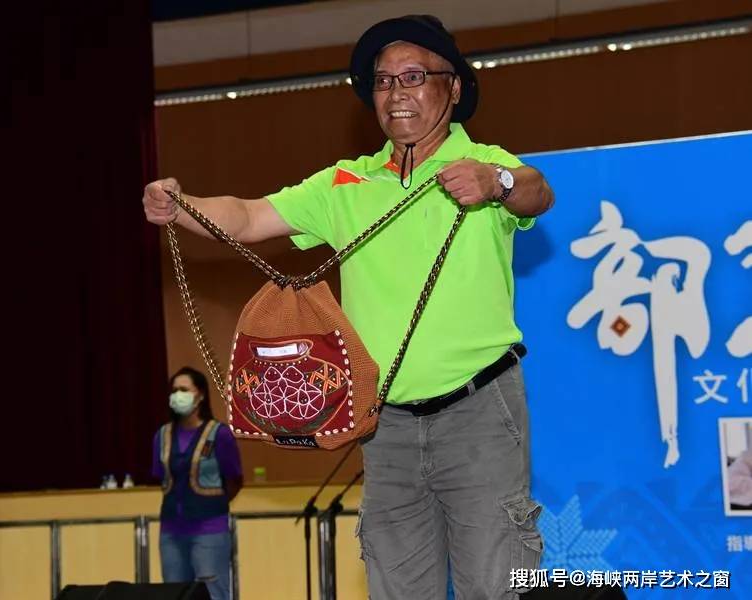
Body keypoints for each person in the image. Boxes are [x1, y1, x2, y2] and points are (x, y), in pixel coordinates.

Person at [143, 14, 553, 599]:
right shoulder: (345, 183)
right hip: (382, 425)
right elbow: (250, 216)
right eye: (383, 81)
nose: (396, 92)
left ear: (454, 87)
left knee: (498, 586)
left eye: (414, 76)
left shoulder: (483, 162)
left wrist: (497, 183)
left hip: (481, 413)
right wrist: (181, 204)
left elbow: (537, 190)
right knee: (397, 589)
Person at [151, 367, 243, 600]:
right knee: (174, 594)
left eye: (184, 390)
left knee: (212, 593)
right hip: (171, 531)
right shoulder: (162, 435)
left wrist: (213, 506)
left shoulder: (219, 434)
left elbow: (234, 479)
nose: (177, 395)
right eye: (174, 391)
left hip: (209, 529)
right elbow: (160, 476)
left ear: (200, 395)